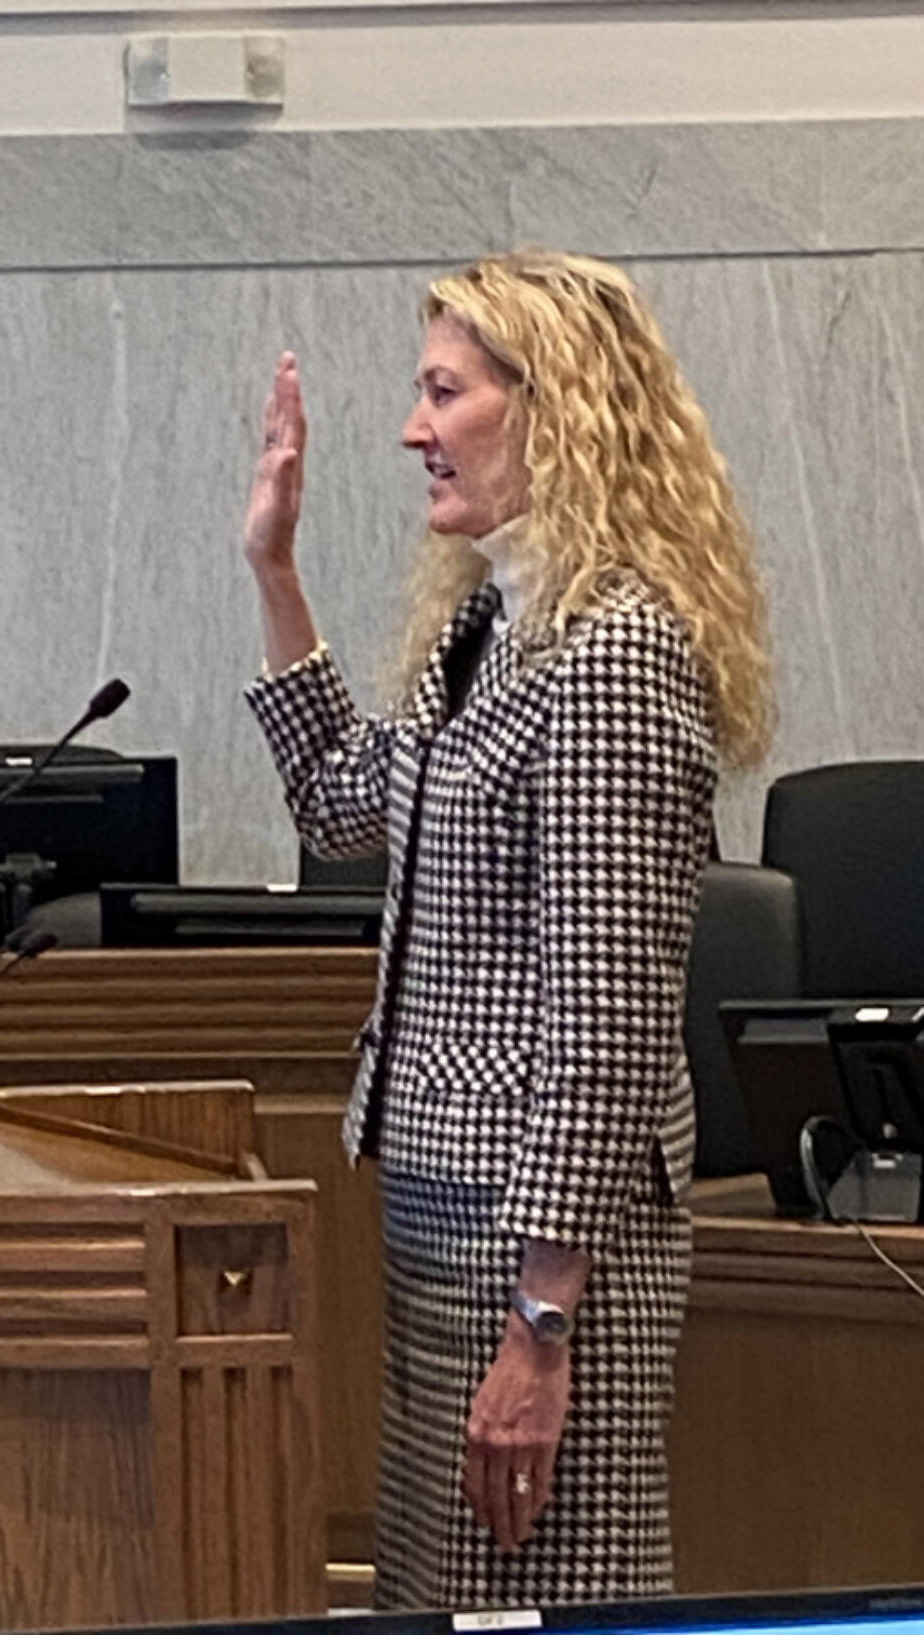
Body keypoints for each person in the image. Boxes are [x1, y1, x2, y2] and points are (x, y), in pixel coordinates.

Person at [242, 250, 772, 1610]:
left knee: (541, 1595)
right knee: (447, 1590)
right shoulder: (495, 618)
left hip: (538, 1240)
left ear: (555, 404)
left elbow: (604, 1017)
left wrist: (541, 1324)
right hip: (445, 1210)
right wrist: (274, 570)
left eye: (441, 391)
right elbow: (341, 804)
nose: (412, 430)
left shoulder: (615, 656)